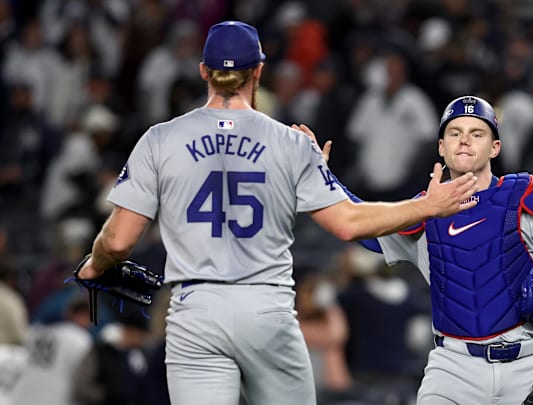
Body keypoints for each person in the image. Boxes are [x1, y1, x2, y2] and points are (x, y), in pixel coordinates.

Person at [74, 21, 479, 405]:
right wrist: (424, 206)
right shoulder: (291, 144)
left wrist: (95, 265)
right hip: (265, 307)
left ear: (203, 71)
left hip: (194, 311)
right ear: (259, 71)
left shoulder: (159, 139)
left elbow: (118, 240)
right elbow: (348, 223)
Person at [299, 95, 533, 404]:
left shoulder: (523, 197)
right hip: (453, 368)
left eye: (477, 133)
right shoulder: (421, 211)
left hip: (526, 366)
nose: (464, 141)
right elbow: (359, 224)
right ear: (441, 147)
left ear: (495, 147)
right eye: (455, 133)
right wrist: (319, 177)